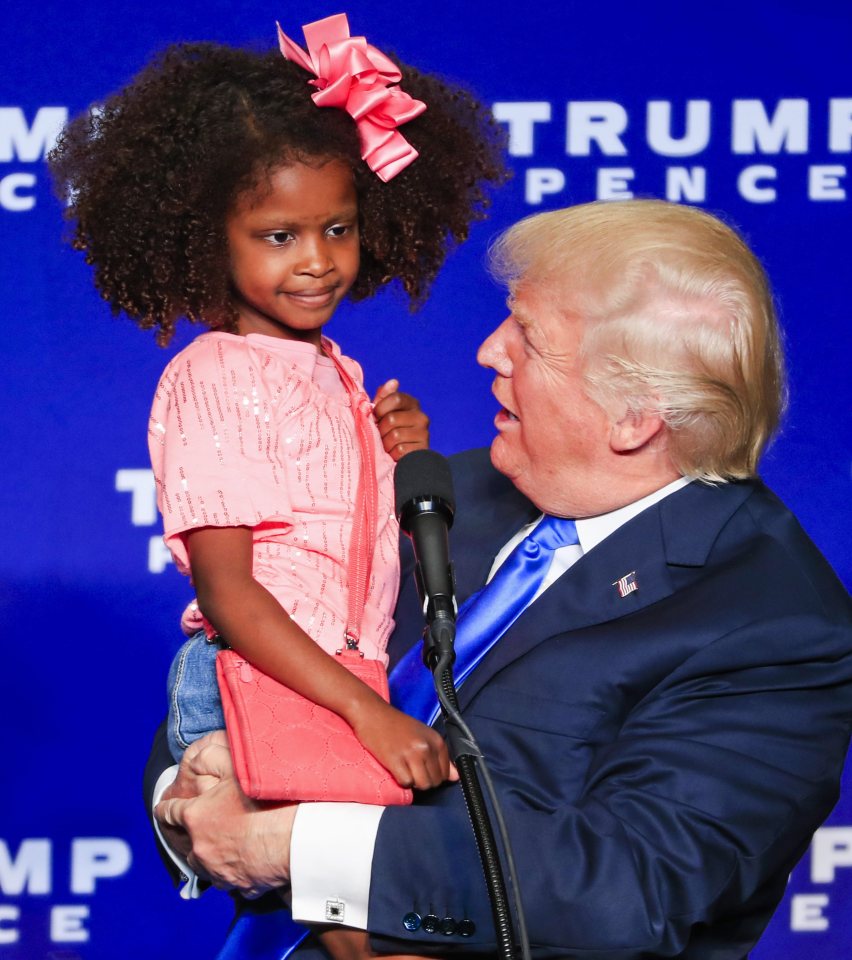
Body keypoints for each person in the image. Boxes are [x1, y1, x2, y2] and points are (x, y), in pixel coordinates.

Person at [147, 198, 852, 960]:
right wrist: (189, 807)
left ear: (634, 417)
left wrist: (296, 848)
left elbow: (624, 885)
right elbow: (239, 667)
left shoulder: (774, 622)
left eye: (530, 337)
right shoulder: (439, 490)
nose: (489, 351)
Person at [49, 14, 505, 818]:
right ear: (206, 241)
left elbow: (350, 562)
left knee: (359, 922)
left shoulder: (339, 371)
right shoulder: (216, 375)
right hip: (261, 682)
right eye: (277, 235)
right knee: (352, 922)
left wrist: (401, 454)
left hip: (334, 680)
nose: (317, 259)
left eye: (338, 228)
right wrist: (368, 713)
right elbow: (233, 595)